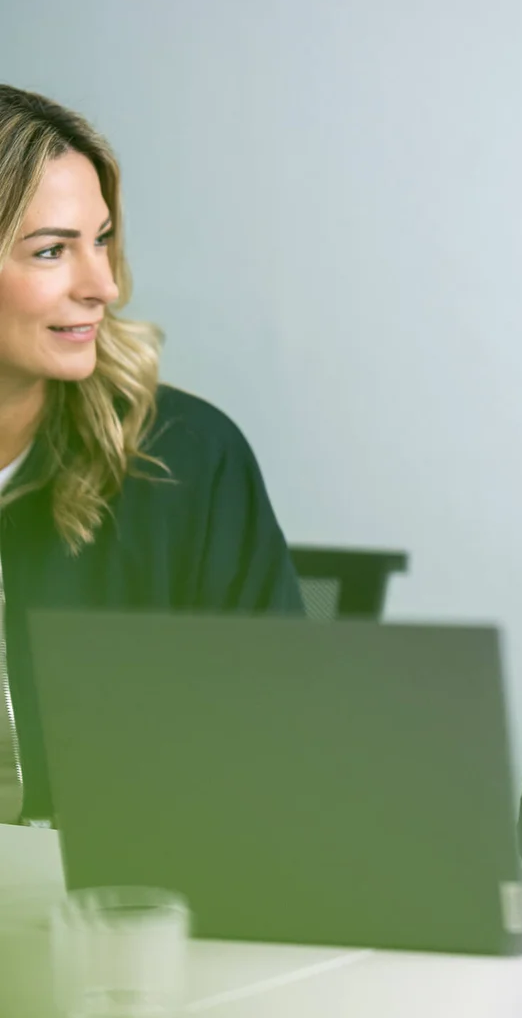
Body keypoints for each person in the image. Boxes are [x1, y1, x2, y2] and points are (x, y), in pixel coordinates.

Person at [0, 85, 303, 827]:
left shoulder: (187, 459)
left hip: (116, 919)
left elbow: (288, 762)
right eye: (51, 251)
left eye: (101, 239)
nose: (102, 285)